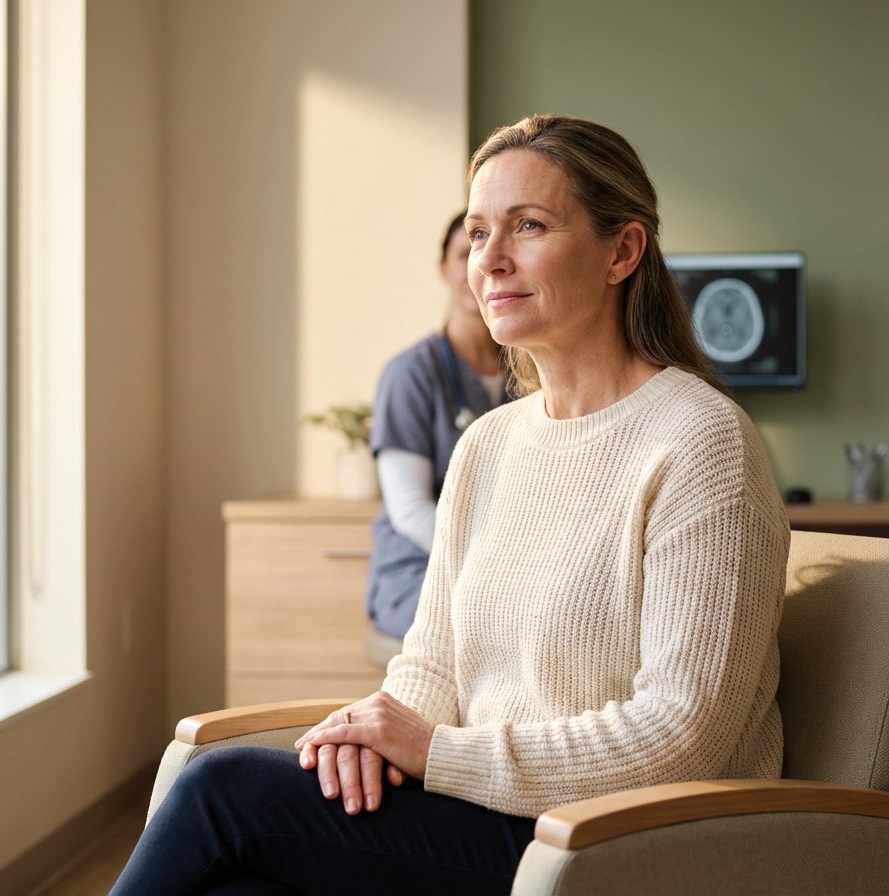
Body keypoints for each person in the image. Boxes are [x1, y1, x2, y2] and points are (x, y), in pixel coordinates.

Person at [111, 115, 790, 896]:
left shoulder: (701, 441)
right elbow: (430, 664)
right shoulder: (488, 446)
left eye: (528, 226)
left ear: (622, 251)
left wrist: (435, 753)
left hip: (614, 841)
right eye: (476, 233)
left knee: (220, 790)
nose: (489, 260)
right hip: (487, 815)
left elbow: (684, 737)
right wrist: (372, 737)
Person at [366, 212, 508, 639]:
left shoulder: (530, 374)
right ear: (444, 269)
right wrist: (492, 567)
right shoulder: (410, 374)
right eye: (466, 253)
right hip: (421, 569)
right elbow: (409, 510)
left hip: (502, 569)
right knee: (497, 627)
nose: (479, 265)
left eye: (486, 251)